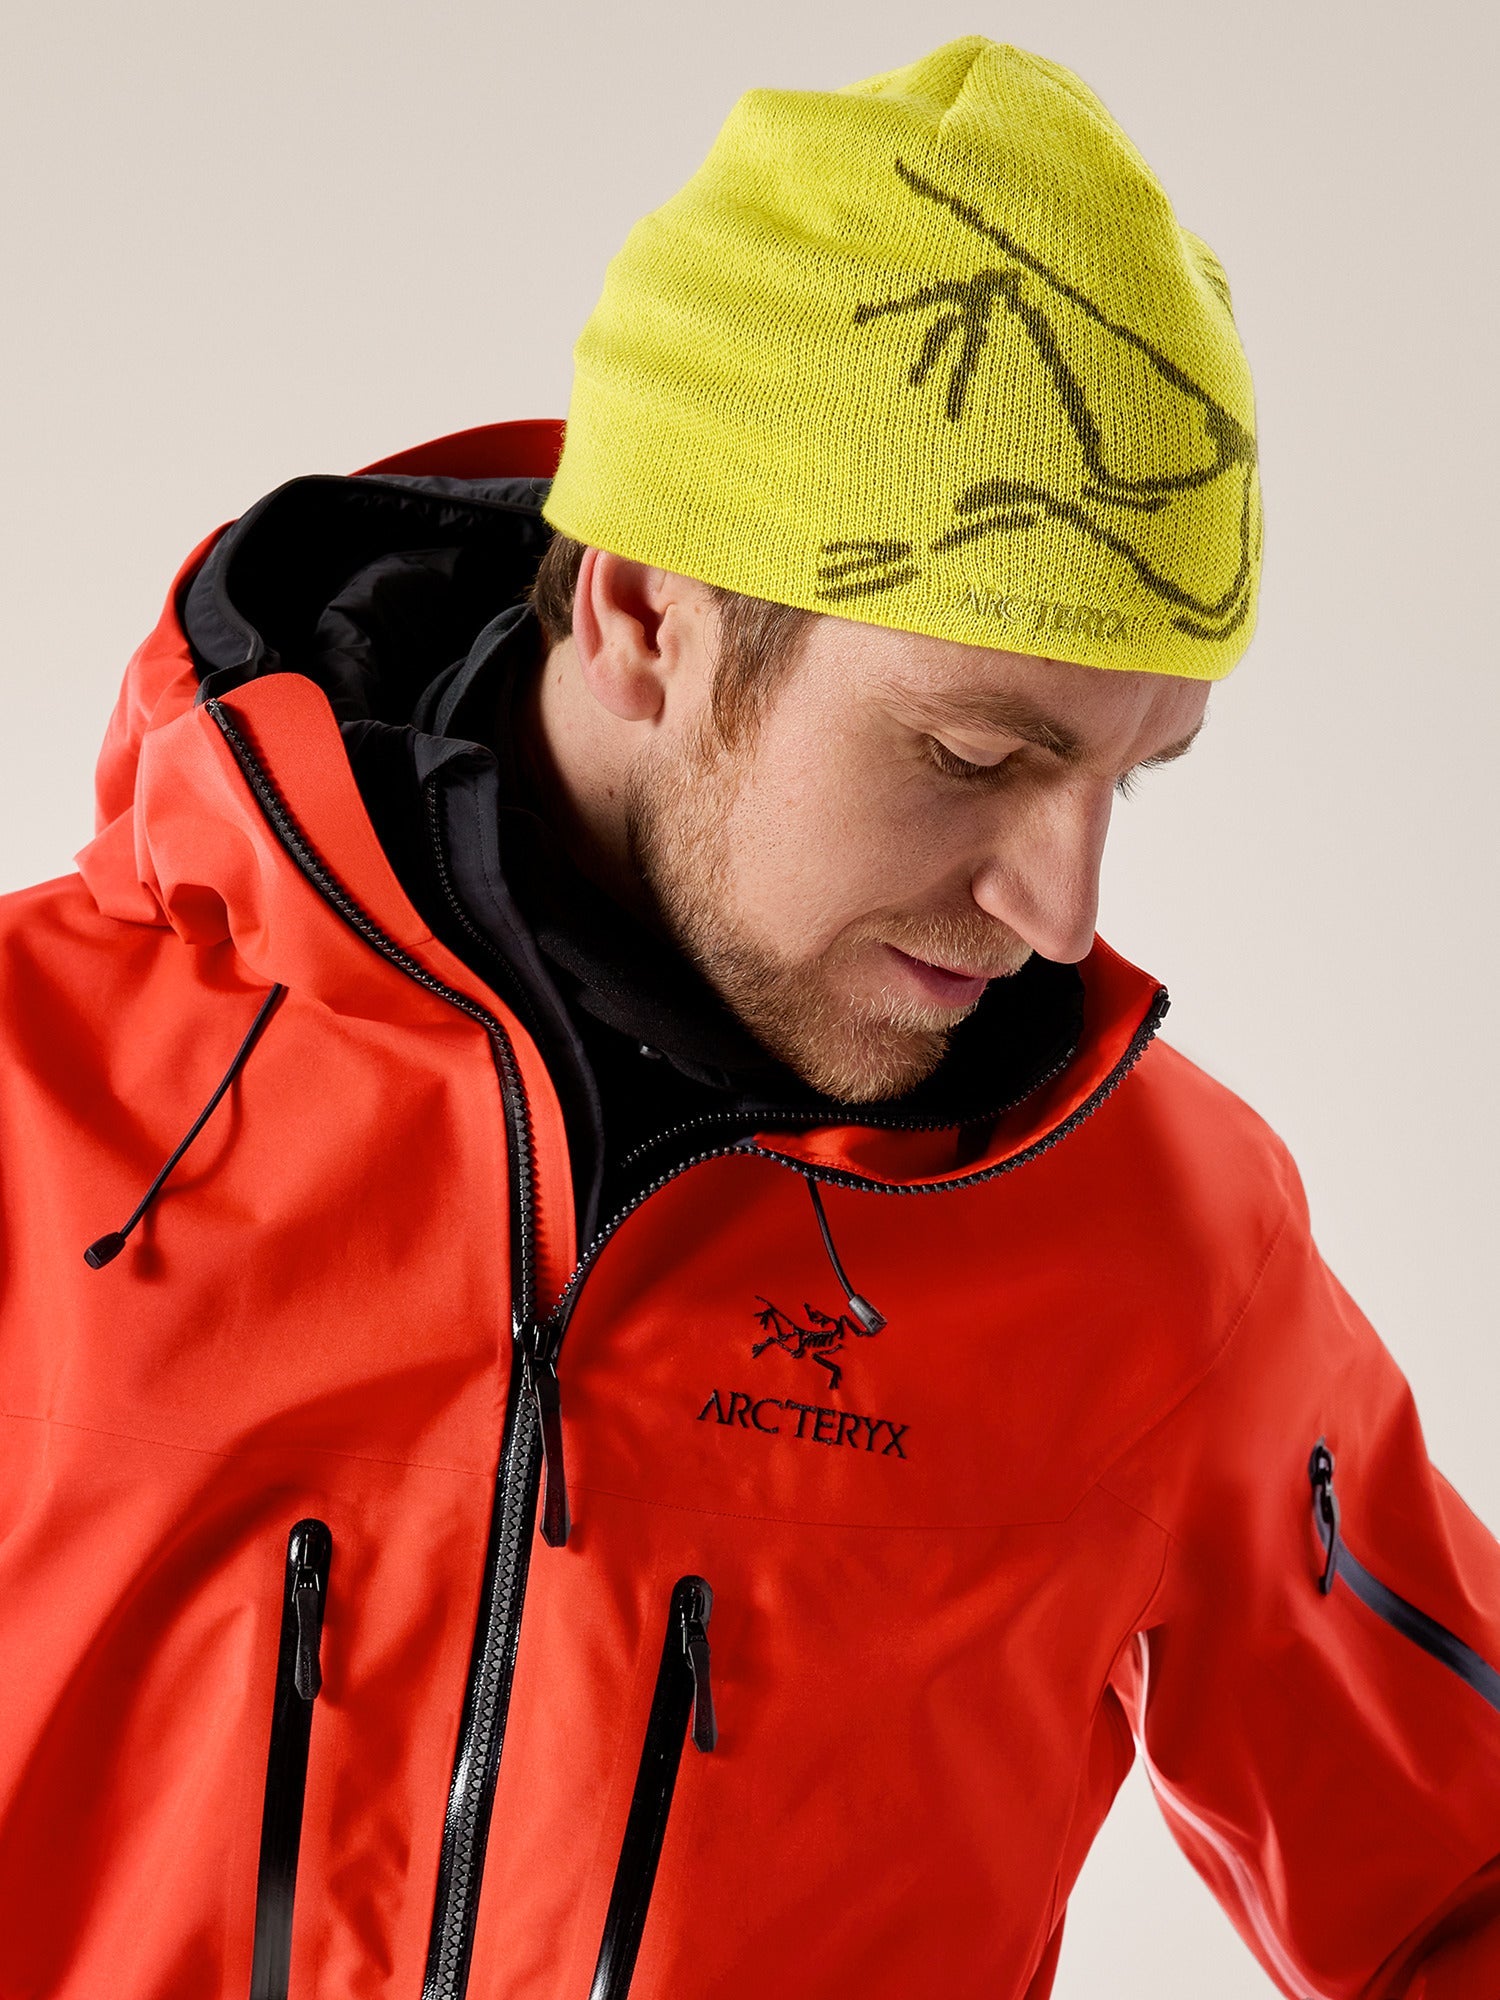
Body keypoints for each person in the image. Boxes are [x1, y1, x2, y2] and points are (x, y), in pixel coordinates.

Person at [0, 33, 1496, 2000]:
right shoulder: (33, 1096)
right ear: (641, 612)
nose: (1061, 911)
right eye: (973, 754)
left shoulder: (1161, 1249)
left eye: (1124, 777)